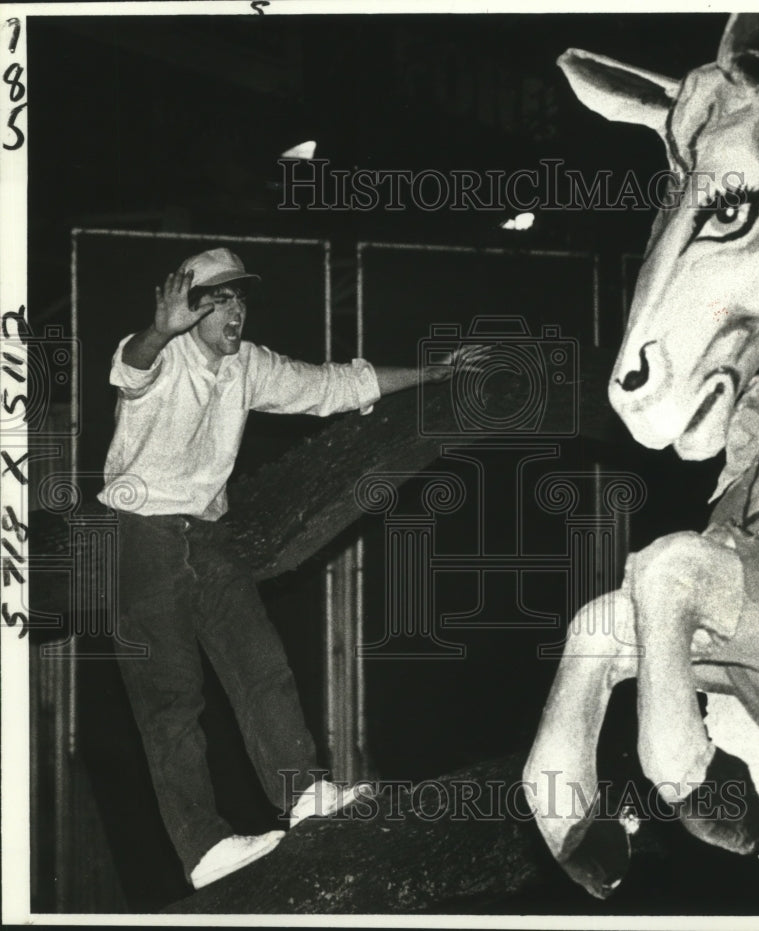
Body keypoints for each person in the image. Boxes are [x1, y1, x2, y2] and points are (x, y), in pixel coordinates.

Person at [97, 247, 477, 890]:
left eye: (240, 299)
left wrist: (434, 373)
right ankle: (202, 849)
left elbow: (334, 386)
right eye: (217, 300)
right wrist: (160, 328)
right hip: (137, 535)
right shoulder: (163, 355)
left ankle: (304, 796)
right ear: (190, 311)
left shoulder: (249, 365)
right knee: (171, 701)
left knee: (261, 667)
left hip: (207, 531)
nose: (234, 312)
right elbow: (129, 368)